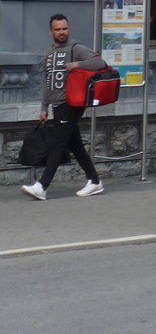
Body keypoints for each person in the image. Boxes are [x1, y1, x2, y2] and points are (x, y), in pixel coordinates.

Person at [21, 14, 106, 200]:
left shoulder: (76, 48)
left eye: (64, 29)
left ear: (69, 29)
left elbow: (100, 62)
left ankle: (42, 186)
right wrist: (44, 107)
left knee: (57, 144)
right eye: (58, 29)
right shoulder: (48, 54)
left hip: (71, 103)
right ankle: (94, 181)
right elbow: (46, 82)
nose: (62, 32)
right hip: (57, 106)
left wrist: (77, 64)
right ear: (51, 31)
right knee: (75, 145)